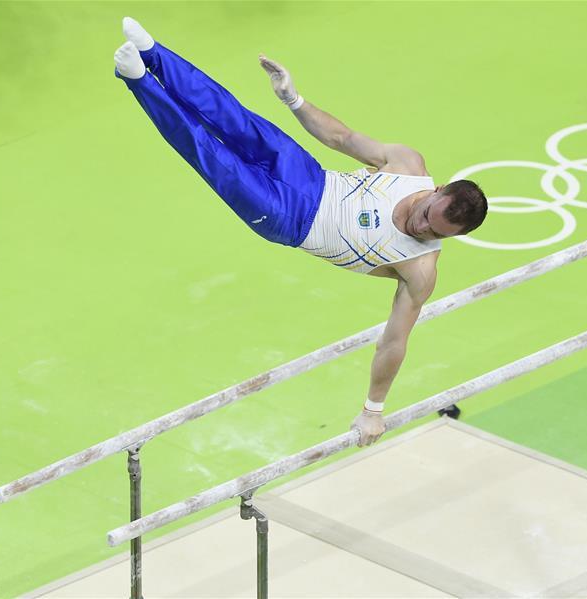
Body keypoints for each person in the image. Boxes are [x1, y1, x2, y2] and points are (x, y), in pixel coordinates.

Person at [112, 18, 488, 448]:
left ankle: (139, 81)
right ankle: (155, 54)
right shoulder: (407, 166)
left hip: (288, 219)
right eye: (426, 214)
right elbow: (341, 136)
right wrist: (294, 99)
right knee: (237, 120)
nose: (419, 227)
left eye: (432, 231)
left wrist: (373, 410)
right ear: (435, 189)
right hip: (310, 176)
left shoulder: (419, 269)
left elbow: (393, 341)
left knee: (213, 156)